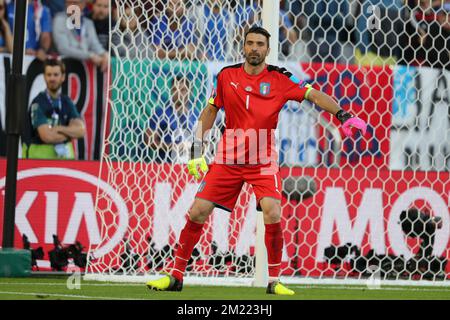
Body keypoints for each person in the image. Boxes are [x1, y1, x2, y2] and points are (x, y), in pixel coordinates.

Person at [146, 26, 367, 295]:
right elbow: (211, 110)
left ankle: (274, 281)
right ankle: (176, 276)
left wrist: (343, 115)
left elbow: (314, 95)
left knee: (272, 210)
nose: (254, 48)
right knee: (197, 211)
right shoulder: (227, 76)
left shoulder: (280, 79)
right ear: (244, 46)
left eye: (259, 44)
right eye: (250, 43)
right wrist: (196, 150)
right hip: (228, 157)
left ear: (267, 49)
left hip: (262, 158)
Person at [22, 59, 86, 159]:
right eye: (49, 74)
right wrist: (70, 133)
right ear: (44, 77)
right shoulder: (38, 102)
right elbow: (47, 136)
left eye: (56, 75)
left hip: (64, 164)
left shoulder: (66, 101)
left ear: (63, 77)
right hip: (38, 163)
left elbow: (81, 130)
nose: (52, 78)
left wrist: (58, 129)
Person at [145, 75, 199, 163]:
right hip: (166, 165)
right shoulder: (160, 113)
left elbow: (202, 143)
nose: (178, 93)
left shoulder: (197, 115)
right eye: (175, 90)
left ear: (190, 92)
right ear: (171, 91)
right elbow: (149, 140)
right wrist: (171, 147)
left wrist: (191, 148)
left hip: (189, 167)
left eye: (183, 90)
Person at [52, 0, 108, 72]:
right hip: (64, 68)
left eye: (75, 3)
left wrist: (104, 54)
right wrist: (90, 56)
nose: (71, 6)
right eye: (69, 2)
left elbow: (95, 44)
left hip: (83, 71)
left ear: (83, 5)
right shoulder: (59, 20)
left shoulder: (88, 23)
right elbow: (64, 48)